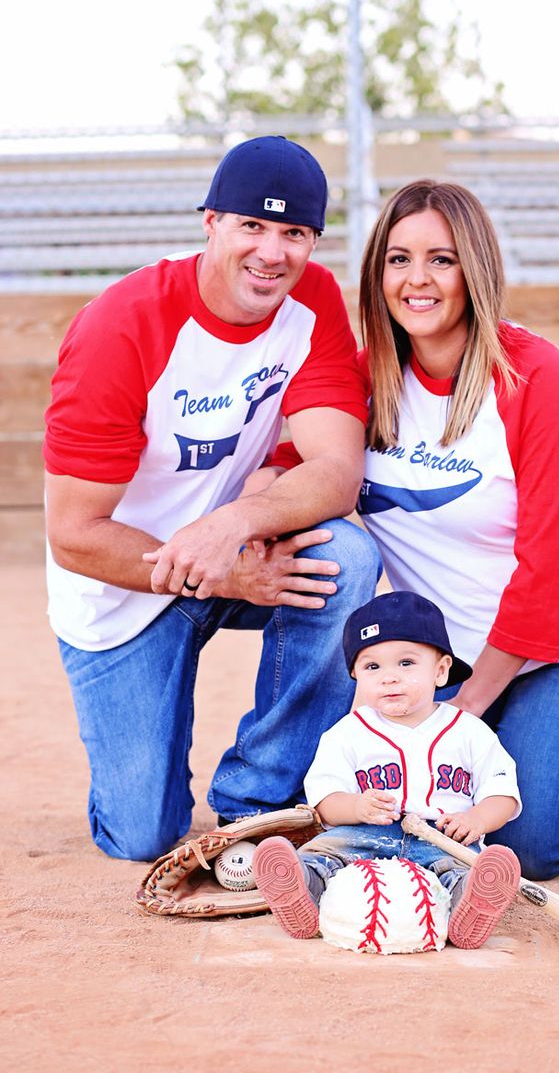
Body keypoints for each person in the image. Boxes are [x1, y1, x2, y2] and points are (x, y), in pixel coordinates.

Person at [255, 178, 559, 881]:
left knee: (522, 844)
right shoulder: (366, 378)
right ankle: (530, 734)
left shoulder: (534, 376)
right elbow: (293, 469)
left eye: (441, 260)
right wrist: (249, 522)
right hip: (455, 658)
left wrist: (467, 710)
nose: (417, 280)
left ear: (474, 269)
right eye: (398, 259)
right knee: (414, 812)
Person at [42, 135, 381, 862]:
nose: (272, 252)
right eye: (252, 226)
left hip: (230, 552)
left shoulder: (312, 301)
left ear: (314, 243)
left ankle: (259, 804)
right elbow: (74, 534)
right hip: (121, 585)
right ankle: (142, 779)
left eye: (294, 233)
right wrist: (216, 568)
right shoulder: (120, 325)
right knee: (142, 835)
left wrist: (237, 522)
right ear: (211, 223)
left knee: (347, 558)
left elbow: (338, 469)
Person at [252, 590, 522, 950]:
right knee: (322, 855)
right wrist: (357, 807)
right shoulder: (346, 732)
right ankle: (301, 888)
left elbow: (502, 793)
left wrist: (477, 819)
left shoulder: (469, 730)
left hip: (441, 839)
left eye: (406, 663)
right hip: (362, 835)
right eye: (372, 666)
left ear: (441, 671)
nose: (388, 678)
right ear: (355, 675)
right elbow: (325, 801)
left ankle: (468, 910)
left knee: (464, 870)